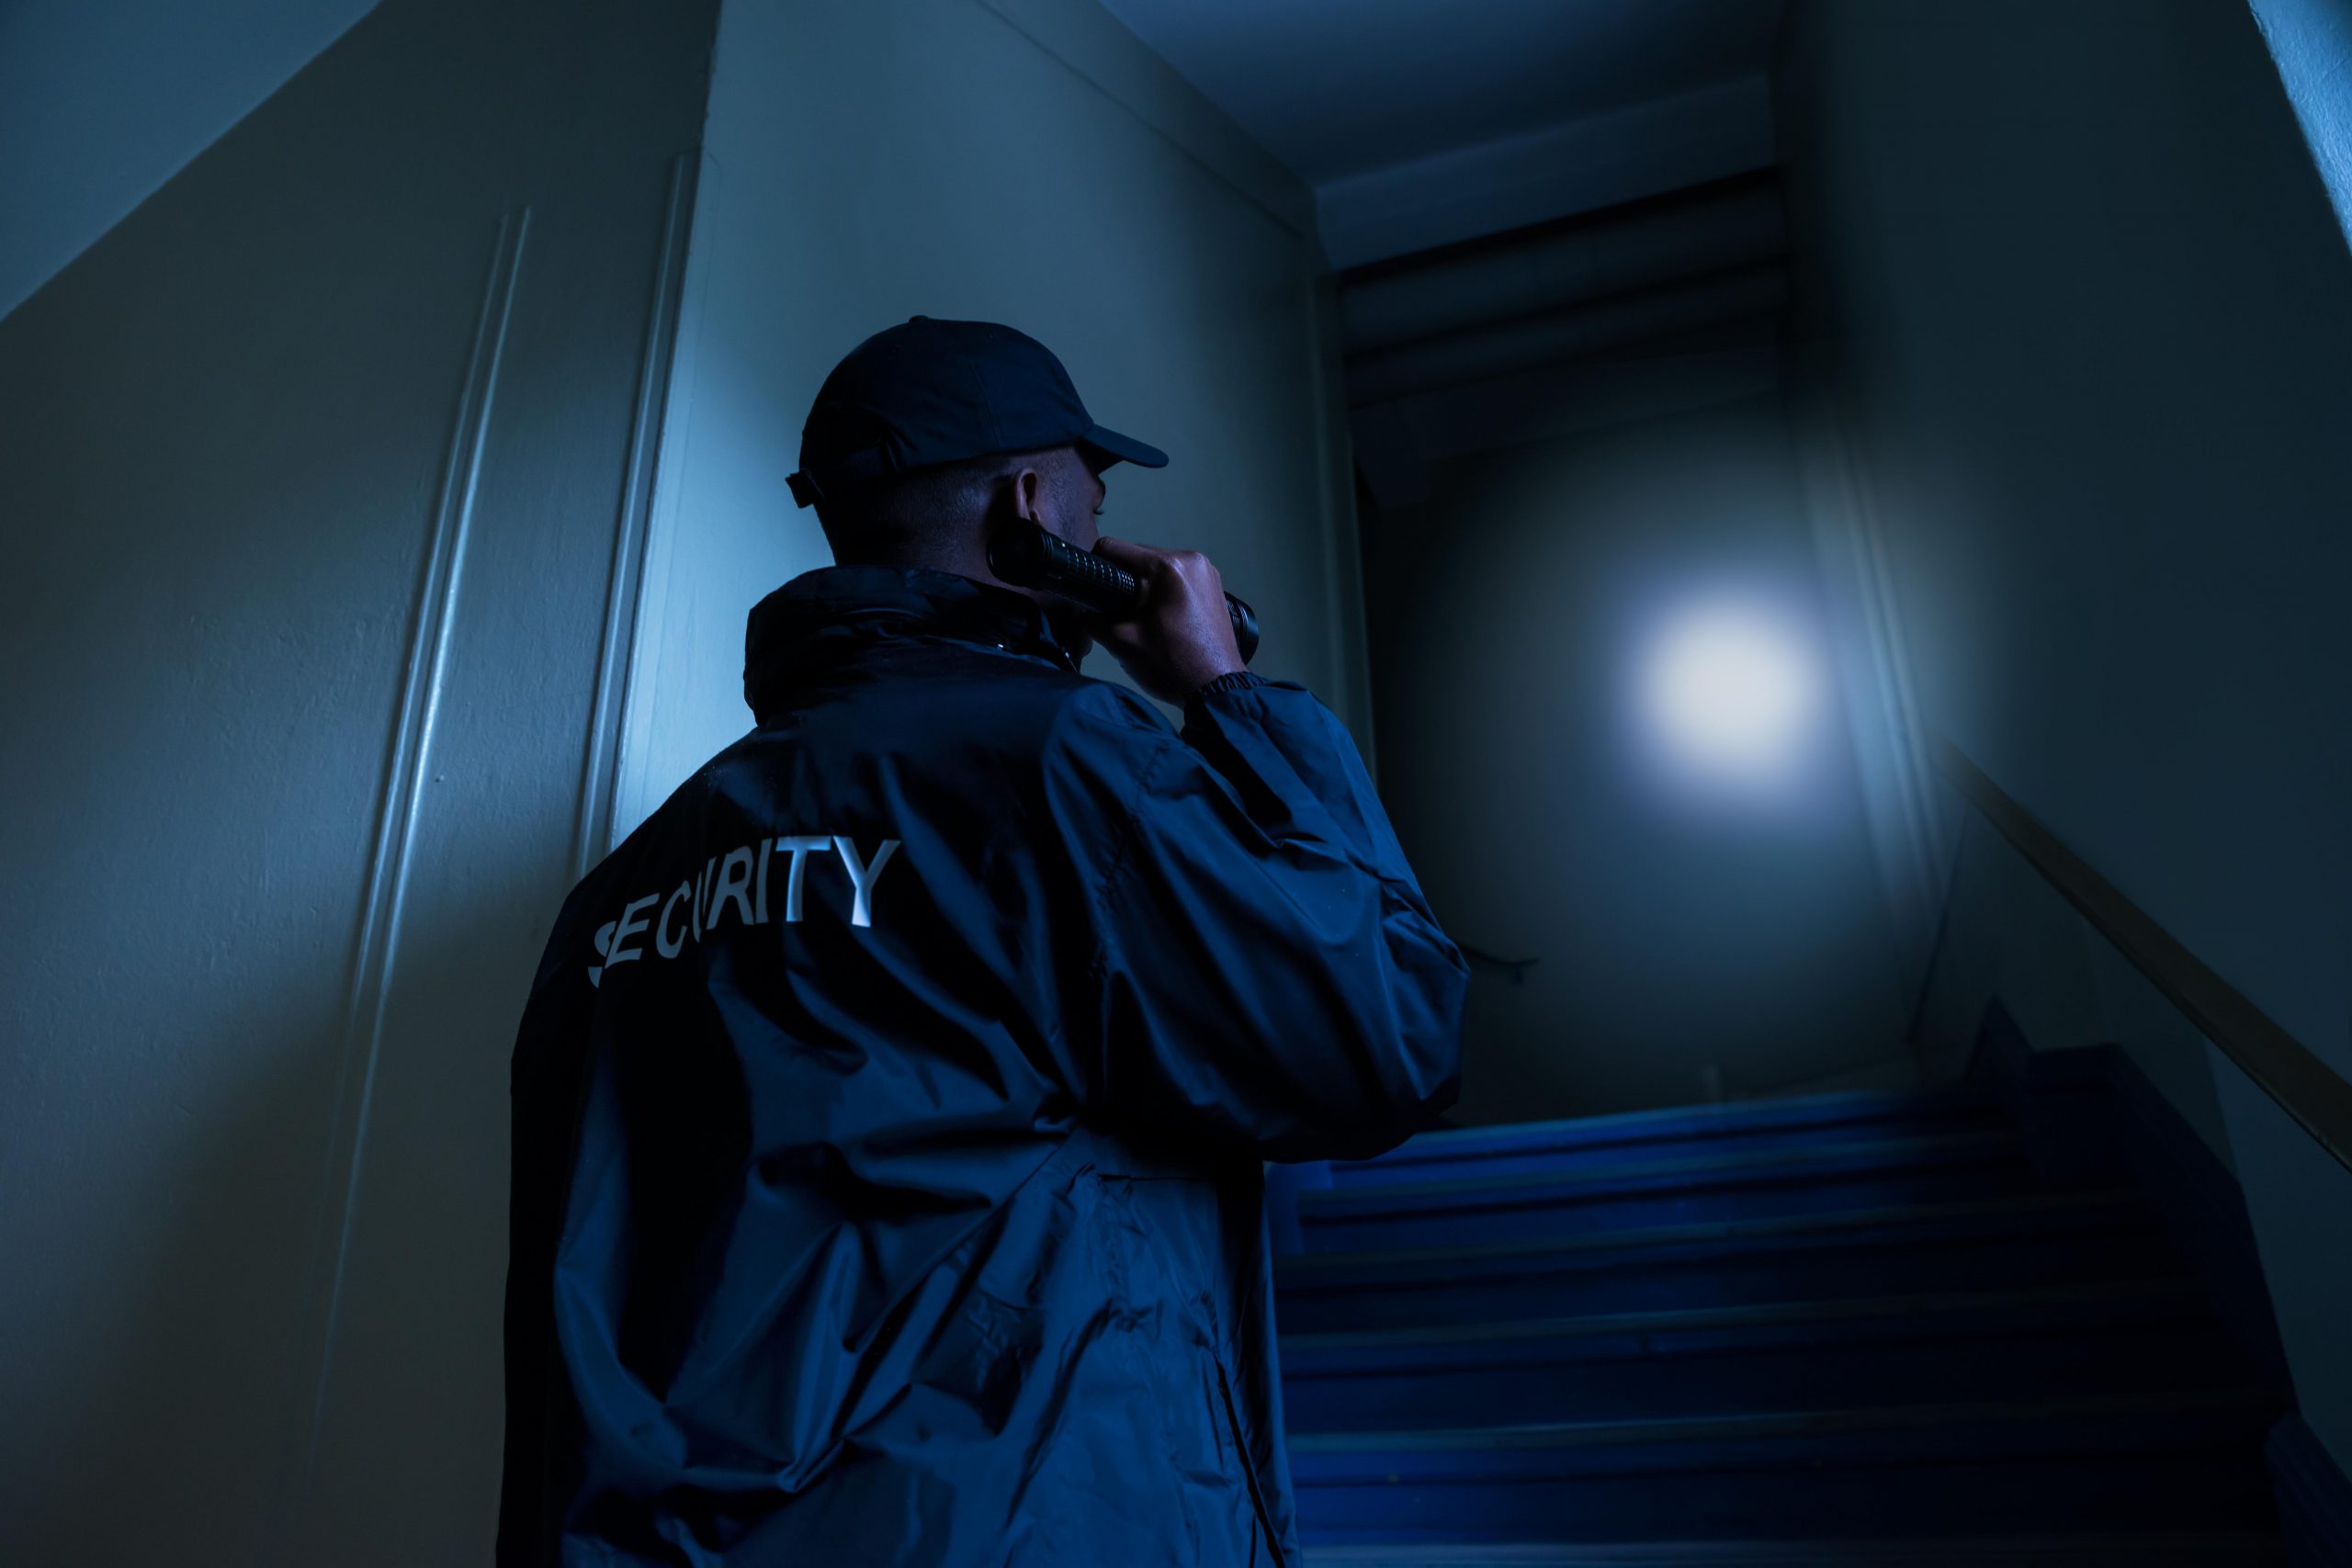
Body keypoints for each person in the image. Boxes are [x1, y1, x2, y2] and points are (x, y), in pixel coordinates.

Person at [499, 315, 1466, 1566]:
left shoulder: (629, 884)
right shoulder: (1066, 762)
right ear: (1030, 510)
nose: (1102, 528)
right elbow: (1389, 1027)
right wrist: (1229, 694)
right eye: (1093, 500)